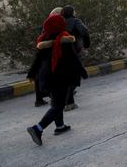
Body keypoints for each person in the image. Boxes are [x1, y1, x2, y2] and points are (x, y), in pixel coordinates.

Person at [27, 14, 85, 146]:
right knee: (59, 105)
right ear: (60, 25)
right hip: (60, 78)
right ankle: (38, 129)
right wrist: (83, 72)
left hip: (45, 79)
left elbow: (37, 60)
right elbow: (73, 59)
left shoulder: (43, 40)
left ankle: (60, 126)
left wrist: (31, 74)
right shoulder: (64, 40)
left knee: (55, 102)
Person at [28, 7, 63, 107]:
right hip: (48, 52)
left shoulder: (47, 22)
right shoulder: (54, 22)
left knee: (39, 74)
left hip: (41, 50)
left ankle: (39, 99)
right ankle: (53, 95)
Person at [60, 5, 91, 112]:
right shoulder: (75, 21)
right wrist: (86, 44)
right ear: (72, 12)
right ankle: (69, 102)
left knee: (63, 76)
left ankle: (63, 99)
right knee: (74, 76)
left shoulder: (59, 21)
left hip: (58, 52)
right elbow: (84, 31)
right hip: (73, 51)